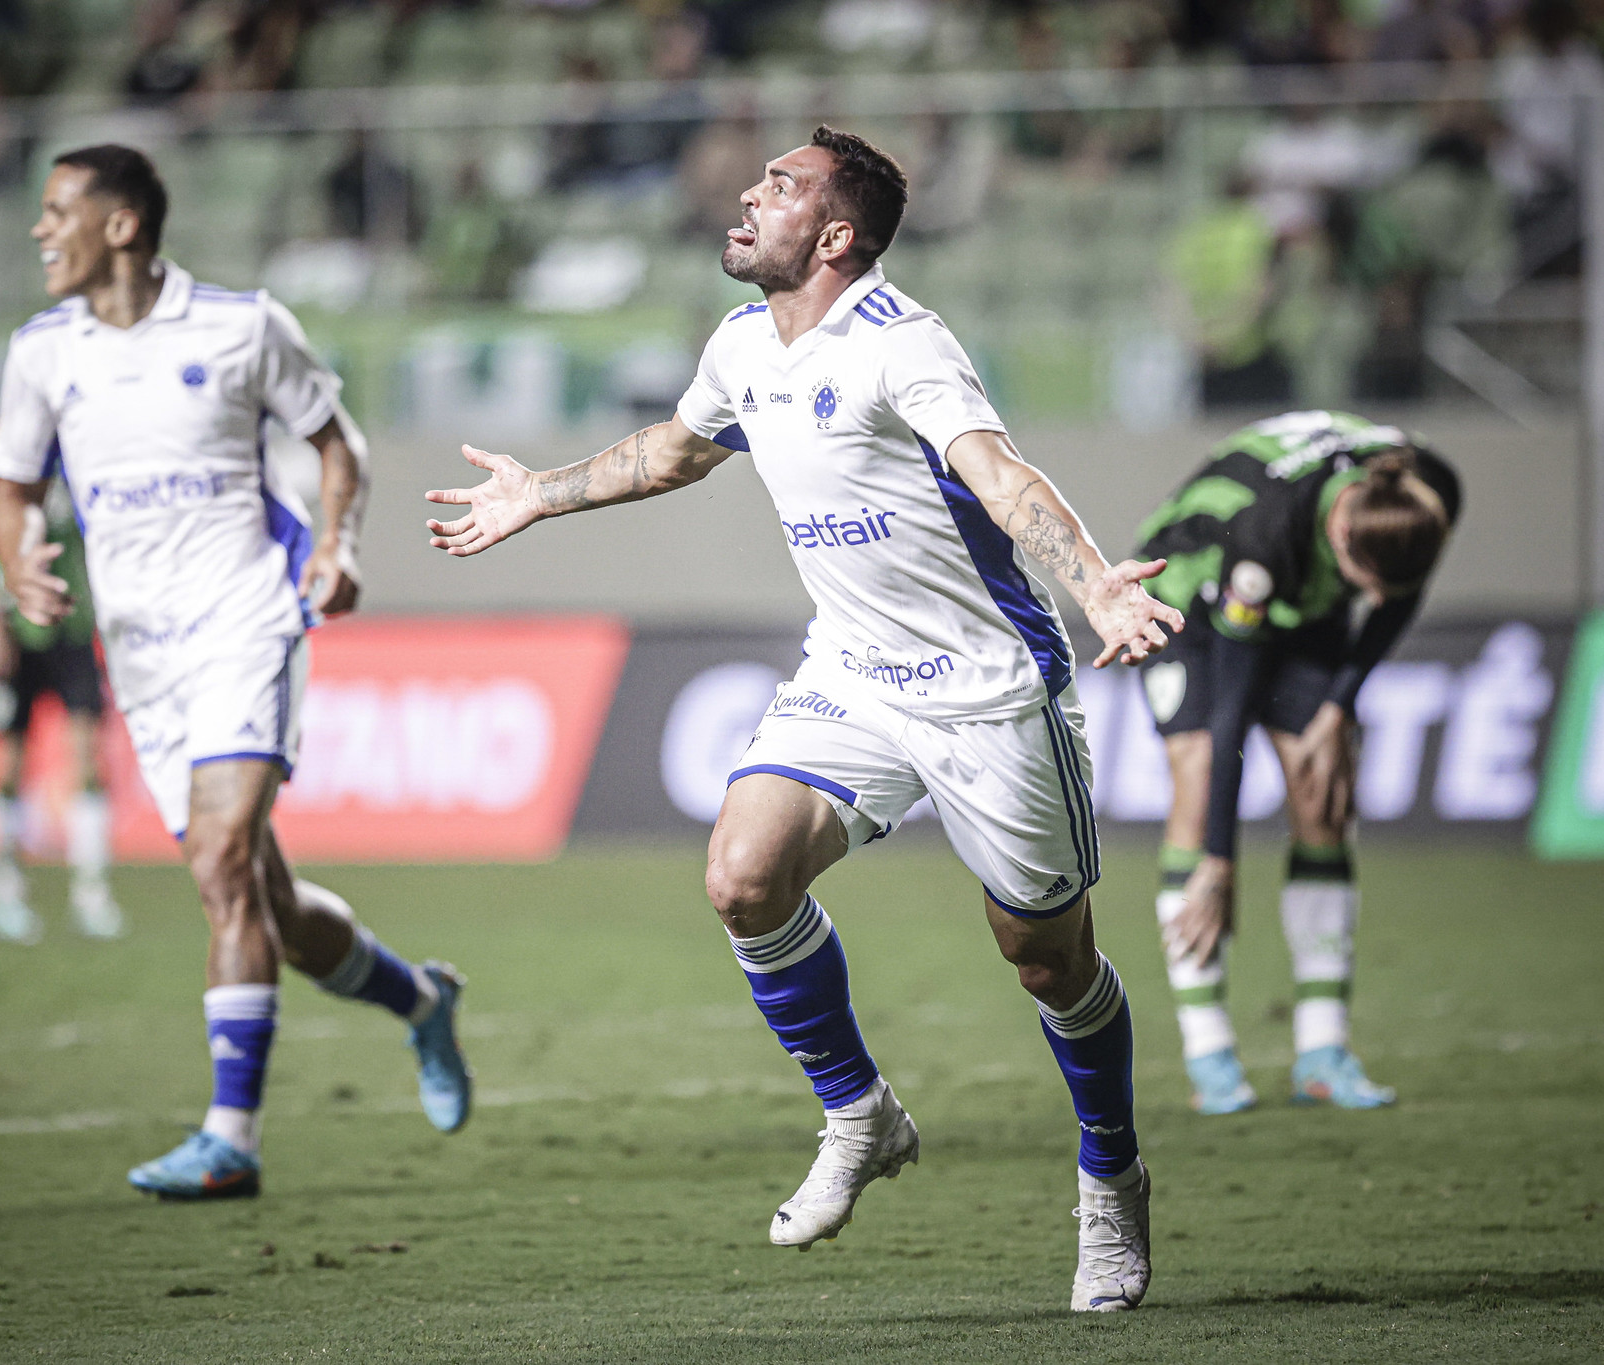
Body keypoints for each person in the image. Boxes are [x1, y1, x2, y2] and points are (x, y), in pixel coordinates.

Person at [426, 126, 1182, 1313]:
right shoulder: (741, 343)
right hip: (854, 673)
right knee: (742, 875)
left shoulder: (903, 345)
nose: (746, 192)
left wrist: (1089, 582)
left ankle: (1110, 1177)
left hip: (986, 687)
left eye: (778, 186)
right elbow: (674, 453)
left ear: (833, 236)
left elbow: (1002, 477)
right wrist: (544, 494)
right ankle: (859, 1113)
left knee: (1046, 960)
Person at [0, 144, 472, 1200]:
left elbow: (337, 444)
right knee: (268, 904)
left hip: (249, 617)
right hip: (143, 653)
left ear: (120, 224)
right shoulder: (41, 355)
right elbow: (11, 482)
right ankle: (423, 1004)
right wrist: (18, 560)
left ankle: (230, 1141)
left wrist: (335, 546)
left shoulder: (242, 326)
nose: (40, 230)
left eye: (57, 210)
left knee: (218, 863)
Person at [1135, 411, 1460, 1115]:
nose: (1374, 601)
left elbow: (1394, 595)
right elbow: (1231, 708)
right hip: (1189, 601)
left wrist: (1338, 705)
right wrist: (1218, 859)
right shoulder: (1263, 542)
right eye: (1364, 583)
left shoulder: (1427, 490)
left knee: (1322, 785)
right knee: (1196, 778)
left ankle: (1321, 1049)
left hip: (1304, 606)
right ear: (1340, 536)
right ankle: (1209, 1052)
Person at [0, 423, 123, 946]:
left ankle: (92, 894)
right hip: (13, 631)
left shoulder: (80, 447)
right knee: (9, 762)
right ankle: (6, 889)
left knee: (90, 756)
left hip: (71, 628)